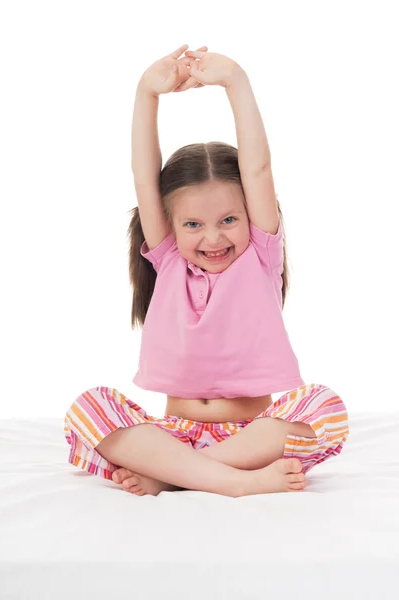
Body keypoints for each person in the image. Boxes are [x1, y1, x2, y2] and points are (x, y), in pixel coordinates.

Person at [64, 44, 350, 498]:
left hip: (250, 438)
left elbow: (257, 168)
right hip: (173, 435)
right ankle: (232, 484)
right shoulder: (169, 257)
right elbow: (144, 176)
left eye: (229, 221)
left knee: (326, 408)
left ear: (251, 217)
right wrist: (146, 94)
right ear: (171, 226)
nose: (213, 239)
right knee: (87, 408)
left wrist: (235, 81)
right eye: (194, 225)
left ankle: (178, 475)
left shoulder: (260, 257)